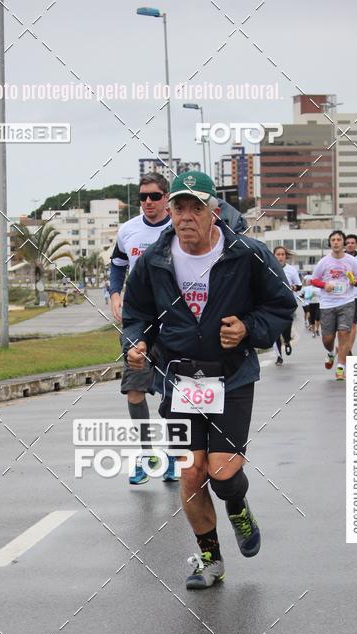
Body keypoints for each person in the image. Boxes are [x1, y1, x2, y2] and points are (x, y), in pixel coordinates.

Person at [122, 171, 296, 589]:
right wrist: (137, 342)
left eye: (195, 207)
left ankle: (237, 505)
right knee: (190, 473)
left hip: (231, 376)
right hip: (180, 378)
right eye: (178, 207)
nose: (185, 216)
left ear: (213, 212)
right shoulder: (154, 261)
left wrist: (250, 329)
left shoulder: (246, 254)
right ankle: (209, 559)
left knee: (220, 471)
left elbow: (281, 304)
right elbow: (137, 315)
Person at [109, 173, 175, 484]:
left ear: (166, 198)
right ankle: (145, 454)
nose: (148, 202)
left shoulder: (178, 228)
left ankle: (176, 453)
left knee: (176, 391)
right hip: (138, 317)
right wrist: (114, 294)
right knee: (134, 389)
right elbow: (117, 264)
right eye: (143, 197)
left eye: (155, 196)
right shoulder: (128, 230)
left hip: (175, 316)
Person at [310, 230, 357, 381]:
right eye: (333, 240)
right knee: (328, 339)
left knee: (344, 334)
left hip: (346, 302)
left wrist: (356, 282)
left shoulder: (351, 261)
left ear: (343, 242)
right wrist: (324, 285)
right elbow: (313, 280)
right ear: (330, 243)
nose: (335, 242)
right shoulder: (324, 262)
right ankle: (330, 353)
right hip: (327, 304)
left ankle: (341, 368)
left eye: (338, 239)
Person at [273, 246, 301, 364]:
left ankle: (288, 341)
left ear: (286, 256)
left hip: (288, 304)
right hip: (273, 304)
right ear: (274, 256)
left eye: (282, 254)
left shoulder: (292, 270)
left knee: (286, 328)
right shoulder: (268, 268)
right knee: (275, 331)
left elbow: (299, 286)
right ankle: (279, 356)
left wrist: (292, 287)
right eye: (278, 254)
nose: (280, 257)